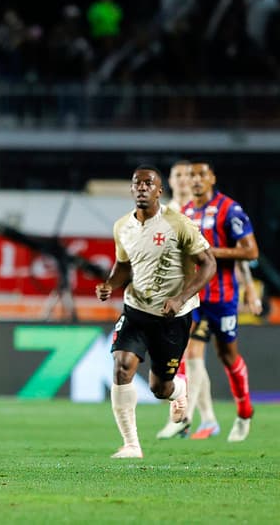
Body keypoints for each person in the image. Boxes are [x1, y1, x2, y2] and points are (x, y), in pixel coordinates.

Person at [96, 165, 216, 459]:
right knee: (122, 366)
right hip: (136, 309)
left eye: (148, 183)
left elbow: (209, 264)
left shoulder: (179, 224)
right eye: (137, 183)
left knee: (160, 387)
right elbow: (123, 266)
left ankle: (179, 390)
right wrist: (110, 284)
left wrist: (181, 297)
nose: (142, 187)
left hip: (172, 317)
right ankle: (132, 445)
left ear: (159, 191)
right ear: (131, 189)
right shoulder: (122, 226)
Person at [156, 162, 258, 442]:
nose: (195, 180)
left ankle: (244, 411)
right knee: (185, 350)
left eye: (201, 175)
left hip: (223, 298)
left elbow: (250, 251)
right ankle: (184, 415)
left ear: (212, 178)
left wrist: (213, 253)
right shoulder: (185, 213)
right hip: (194, 297)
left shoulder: (230, 209)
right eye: (191, 175)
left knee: (228, 356)